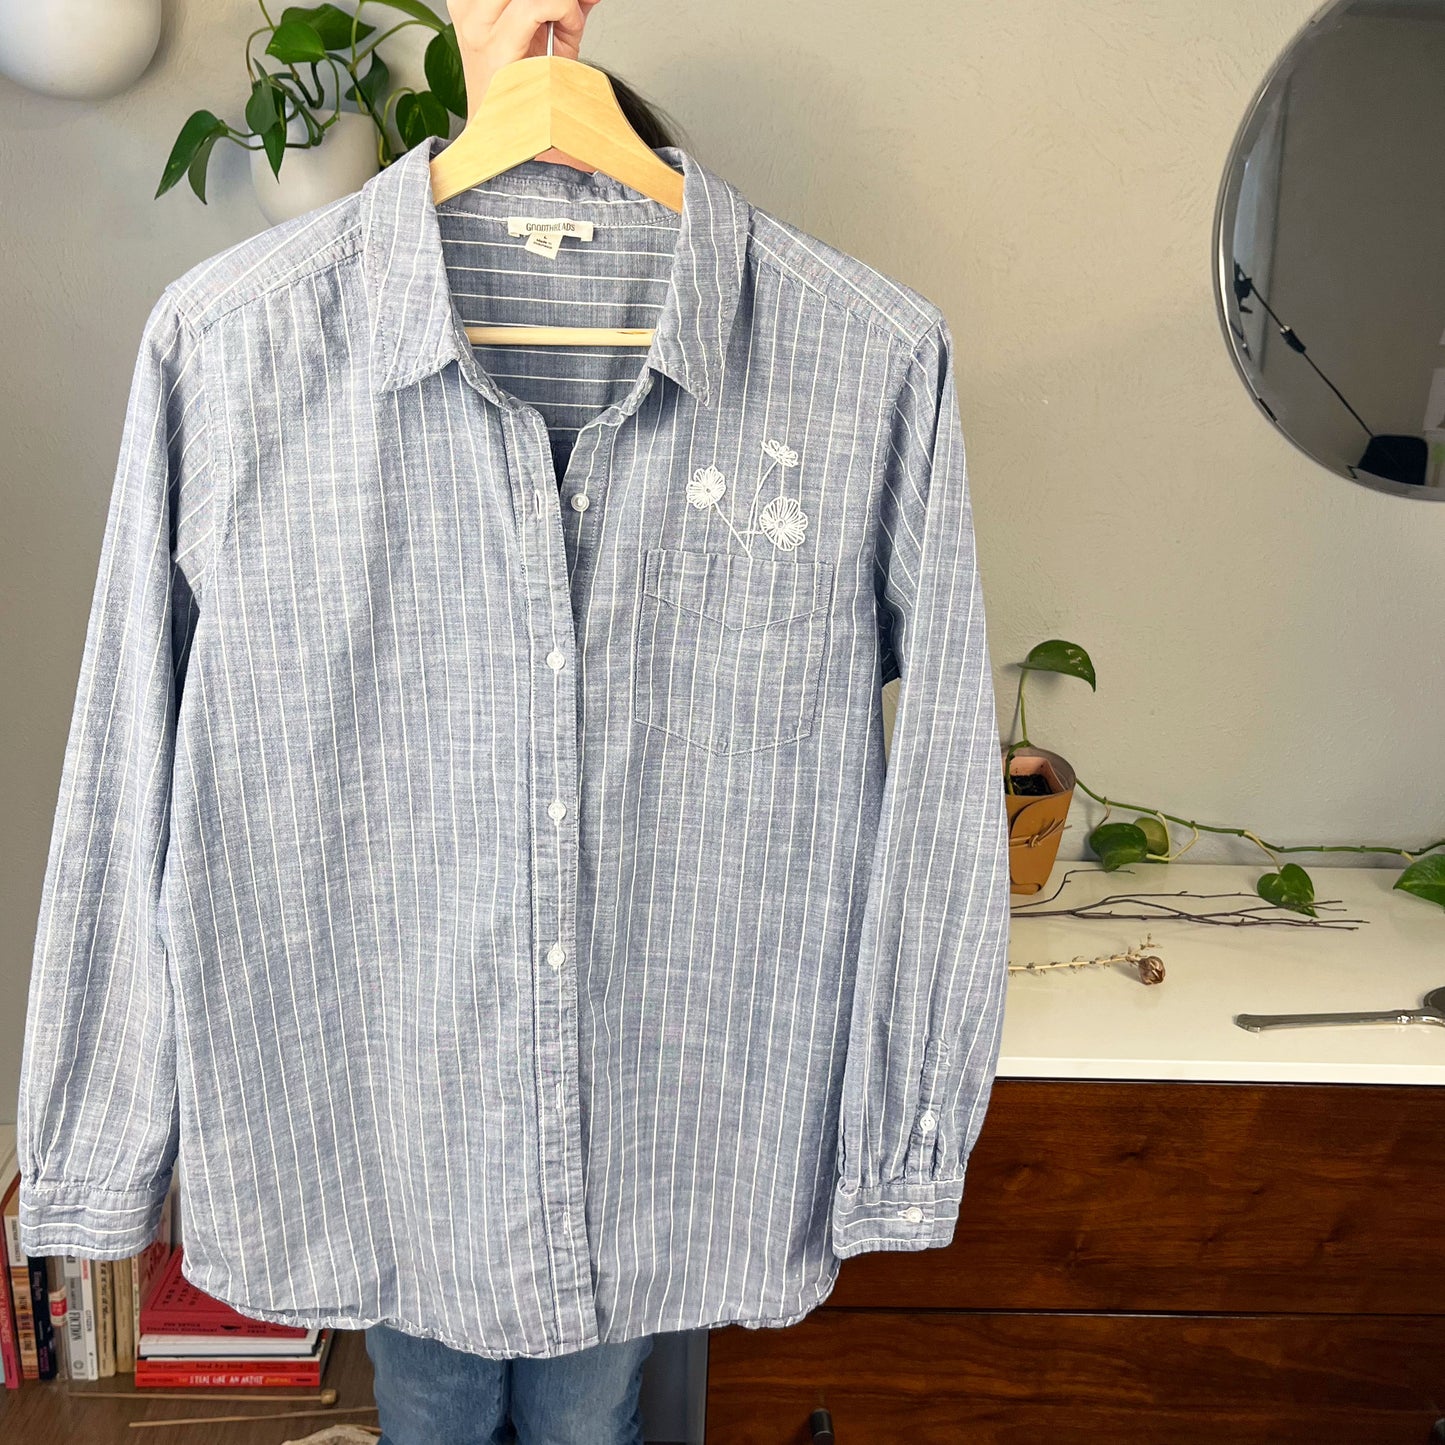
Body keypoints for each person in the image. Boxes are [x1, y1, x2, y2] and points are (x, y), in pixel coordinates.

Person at [365, 3, 669, 1440]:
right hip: (416, 1070)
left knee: (590, 1395)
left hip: (628, 1078)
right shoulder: (288, 374)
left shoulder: (811, 384)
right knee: (428, 1386)